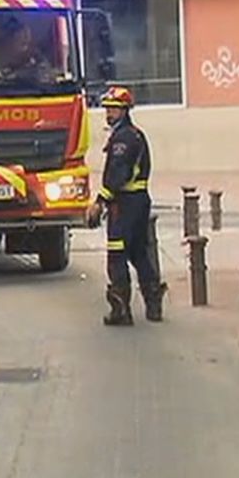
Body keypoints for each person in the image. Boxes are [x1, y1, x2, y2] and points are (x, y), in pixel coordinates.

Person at [85, 86, 167, 326]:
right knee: (138, 252)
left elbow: (118, 174)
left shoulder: (124, 139)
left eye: (114, 109)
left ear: (125, 111)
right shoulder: (135, 135)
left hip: (125, 205)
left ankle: (121, 309)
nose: (108, 113)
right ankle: (153, 302)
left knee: (117, 253)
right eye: (107, 108)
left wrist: (100, 201)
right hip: (138, 202)